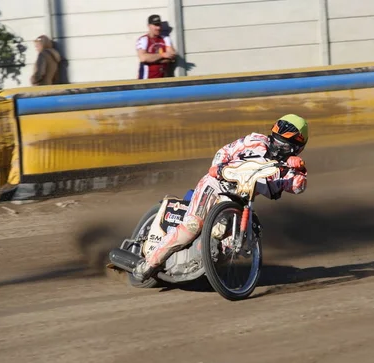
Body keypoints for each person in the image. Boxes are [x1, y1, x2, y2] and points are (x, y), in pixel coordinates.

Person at [133, 114, 310, 282]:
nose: (277, 146)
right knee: (192, 225)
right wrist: (217, 168)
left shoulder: (290, 170)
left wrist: (300, 169)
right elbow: (224, 151)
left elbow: (297, 187)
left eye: (284, 145)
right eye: (275, 139)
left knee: (228, 244)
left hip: (240, 202)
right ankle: (147, 265)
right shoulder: (253, 141)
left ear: (296, 148)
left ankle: (203, 267)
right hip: (215, 184)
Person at [136, 14, 176, 79]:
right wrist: (163, 55)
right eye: (155, 25)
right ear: (149, 26)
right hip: (146, 80)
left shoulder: (165, 39)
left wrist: (151, 59)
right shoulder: (143, 39)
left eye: (159, 25)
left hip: (162, 79)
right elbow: (143, 58)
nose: (158, 28)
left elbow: (171, 56)